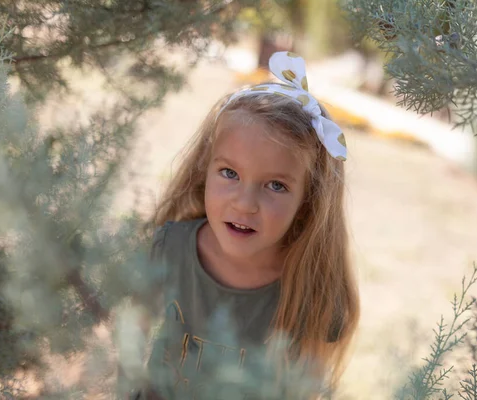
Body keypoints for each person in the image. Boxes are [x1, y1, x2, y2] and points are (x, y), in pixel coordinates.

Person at [126, 51, 360, 400]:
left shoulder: (312, 287)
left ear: (307, 200)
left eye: (276, 185)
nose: (245, 203)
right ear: (204, 169)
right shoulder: (167, 249)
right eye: (230, 173)